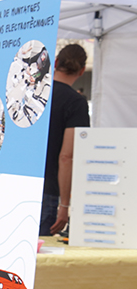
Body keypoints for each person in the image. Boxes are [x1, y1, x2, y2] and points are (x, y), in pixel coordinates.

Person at [42, 44, 89, 236]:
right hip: (48, 190)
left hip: (20, 186)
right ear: (82, 70)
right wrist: (65, 205)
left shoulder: (33, 93)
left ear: (56, 62)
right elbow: (67, 157)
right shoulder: (75, 102)